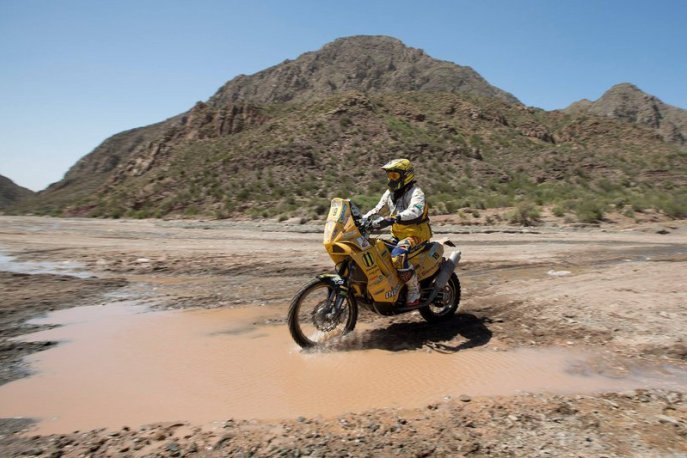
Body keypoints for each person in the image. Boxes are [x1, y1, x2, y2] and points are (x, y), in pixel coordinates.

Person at [363, 158, 432, 306]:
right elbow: (378, 209)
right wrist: (362, 220)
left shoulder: (416, 193)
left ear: (405, 175)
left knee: (397, 256)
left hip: (416, 235)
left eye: (394, 176)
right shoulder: (390, 194)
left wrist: (393, 218)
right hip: (398, 236)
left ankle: (414, 289)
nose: (391, 179)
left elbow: (416, 211)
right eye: (389, 176)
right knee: (375, 248)